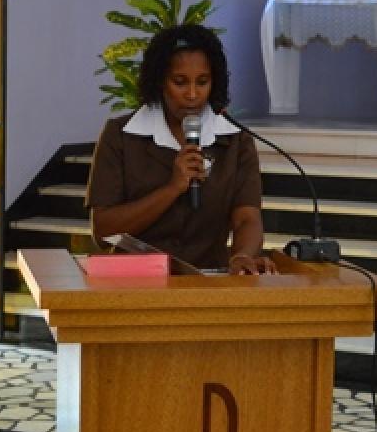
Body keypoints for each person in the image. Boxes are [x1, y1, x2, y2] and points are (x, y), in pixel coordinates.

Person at [87, 24, 276, 275]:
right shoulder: (121, 136)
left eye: (203, 82)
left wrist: (242, 256)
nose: (192, 94)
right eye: (179, 82)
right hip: (135, 283)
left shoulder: (235, 141)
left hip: (207, 282)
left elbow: (247, 218)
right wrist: (173, 188)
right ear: (160, 82)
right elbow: (103, 230)